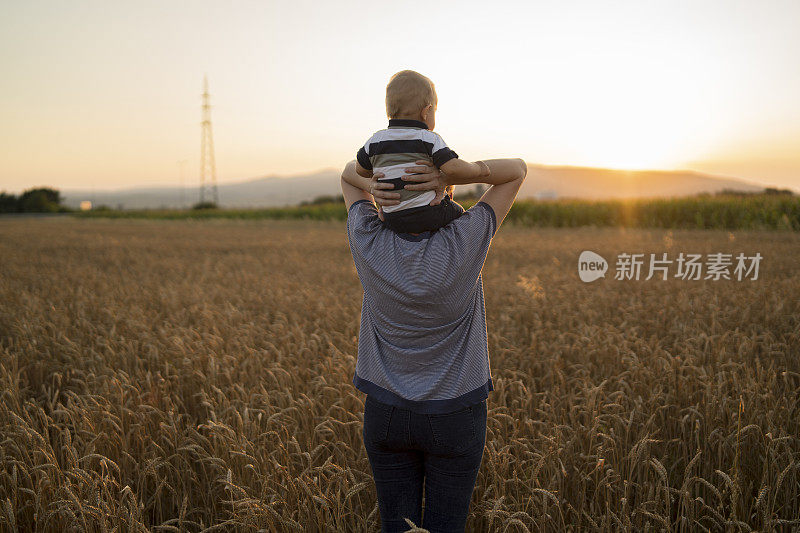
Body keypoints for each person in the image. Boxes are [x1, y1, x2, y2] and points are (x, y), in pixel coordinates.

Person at [341, 156, 528, 532]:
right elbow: (517, 171)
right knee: (447, 525)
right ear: (446, 194)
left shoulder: (368, 237)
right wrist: (449, 172)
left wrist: (379, 179)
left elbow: (348, 176)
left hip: (386, 409)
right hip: (456, 412)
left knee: (398, 526)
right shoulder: (465, 238)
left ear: (385, 197)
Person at [352, 70, 491, 234]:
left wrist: (377, 172)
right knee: (459, 213)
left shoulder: (375, 140)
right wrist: (479, 169)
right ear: (426, 112)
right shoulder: (428, 139)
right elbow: (452, 168)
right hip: (428, 214)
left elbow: (360, 170)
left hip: (392, 219)